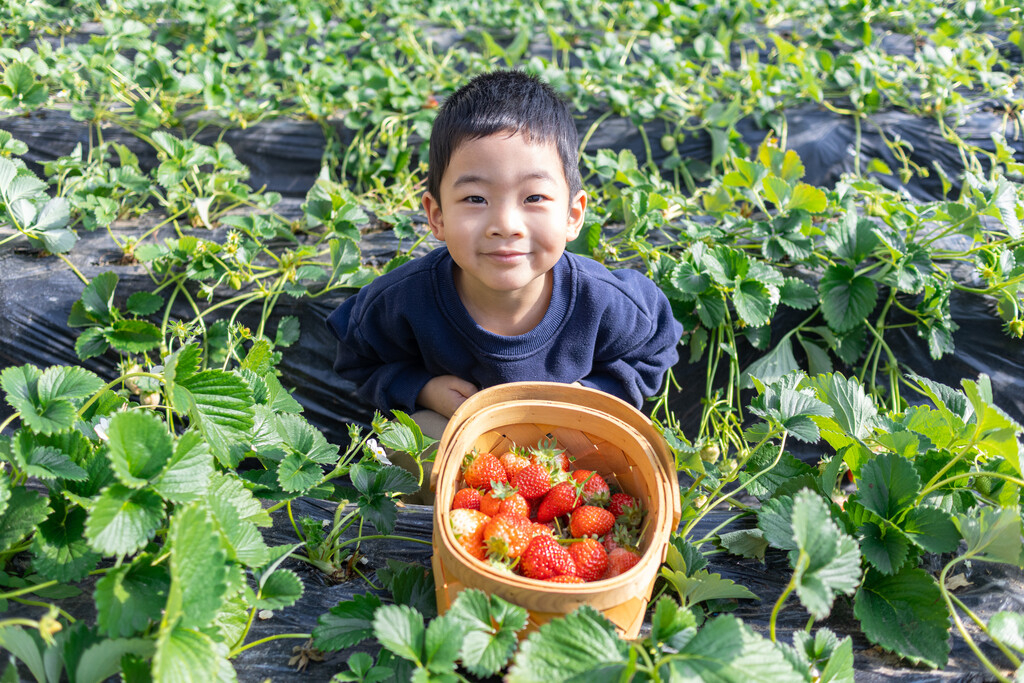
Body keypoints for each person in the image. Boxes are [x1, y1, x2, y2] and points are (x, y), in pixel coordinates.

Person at [326, 69, 683, 497]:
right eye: (475, 199)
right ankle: (464, 529)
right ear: (436, 215)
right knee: (417, 442)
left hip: (570, 448)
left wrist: (592, 397)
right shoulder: (405, 300)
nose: (505, 225)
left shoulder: (602, 300)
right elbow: (357, 355)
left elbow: (656, 343)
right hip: (466, 453)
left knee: (633, 458)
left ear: (572, 215)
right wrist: (420, 387)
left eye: (534, 198)